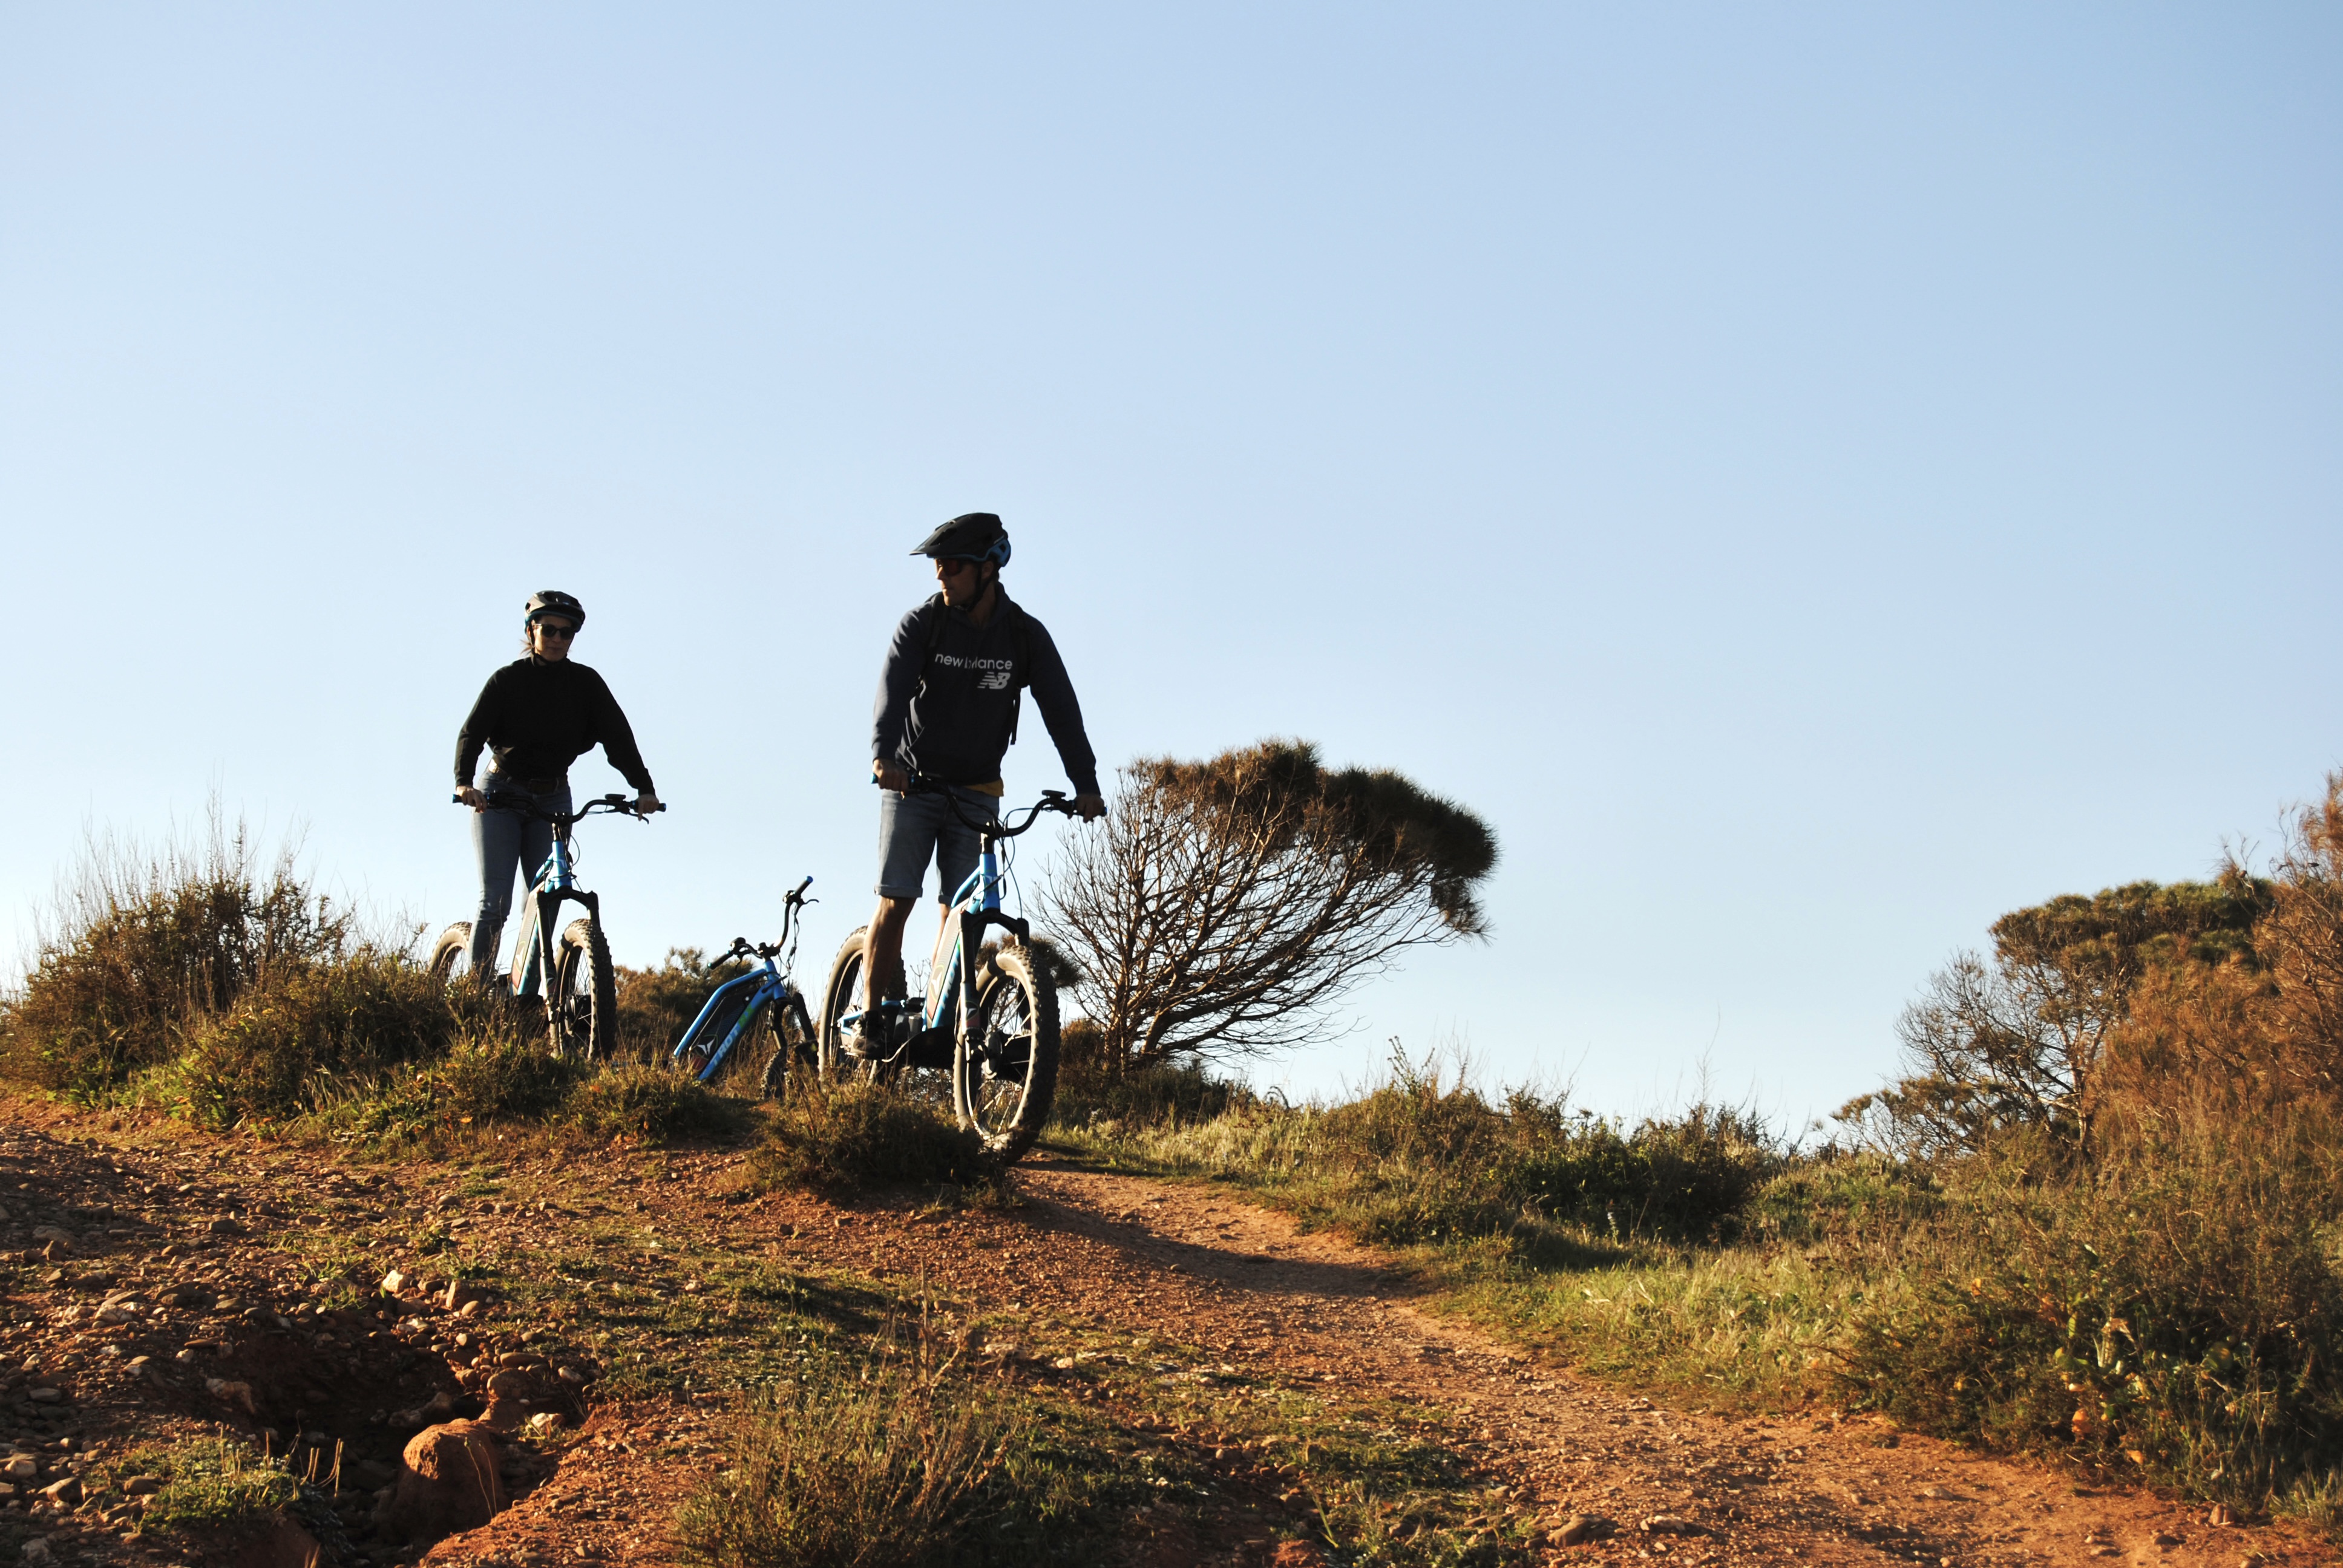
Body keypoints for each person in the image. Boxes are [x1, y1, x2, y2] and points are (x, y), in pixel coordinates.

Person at [862, 513, 1106, 1039]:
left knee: (960, 916)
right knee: (897, 901)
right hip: (913, 783)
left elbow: (1061, 711)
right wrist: (885, 758)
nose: (940, 575)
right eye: (938, 565)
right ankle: (871, 1016)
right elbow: (893, 694)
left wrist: (1085, 784)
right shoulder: (922, 624)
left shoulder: (1023, 636)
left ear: (989, 568)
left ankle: (936, 1026)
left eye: (952, 565)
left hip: (978, 791)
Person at [453, 590, 661, 990]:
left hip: (553, 797)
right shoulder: (507, 681)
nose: (557, 639)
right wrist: (464, 782)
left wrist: (644, 788)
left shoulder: (586, 684)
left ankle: (524, 995)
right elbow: (472, 733)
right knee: (496, 901)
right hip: (499, 795)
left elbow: (618, 737)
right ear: (532, 630)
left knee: (545, 900)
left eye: (566, 633)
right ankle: (473, 996)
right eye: (548, 630)